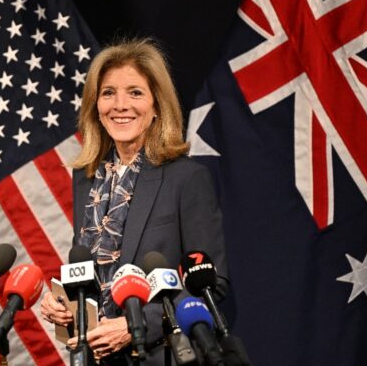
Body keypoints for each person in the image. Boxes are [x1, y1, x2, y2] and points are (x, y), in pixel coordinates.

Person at [40, 38, 229, 365]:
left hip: (161, 355)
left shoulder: (186, 179)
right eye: (108, 93)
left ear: (157, 106)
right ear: (95, 105)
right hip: (95, 357)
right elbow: (88, 269)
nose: (120, 105)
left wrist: (134, 325)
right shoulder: (87, 180)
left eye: (135, 92)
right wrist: (64, 303)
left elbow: (211, 287)